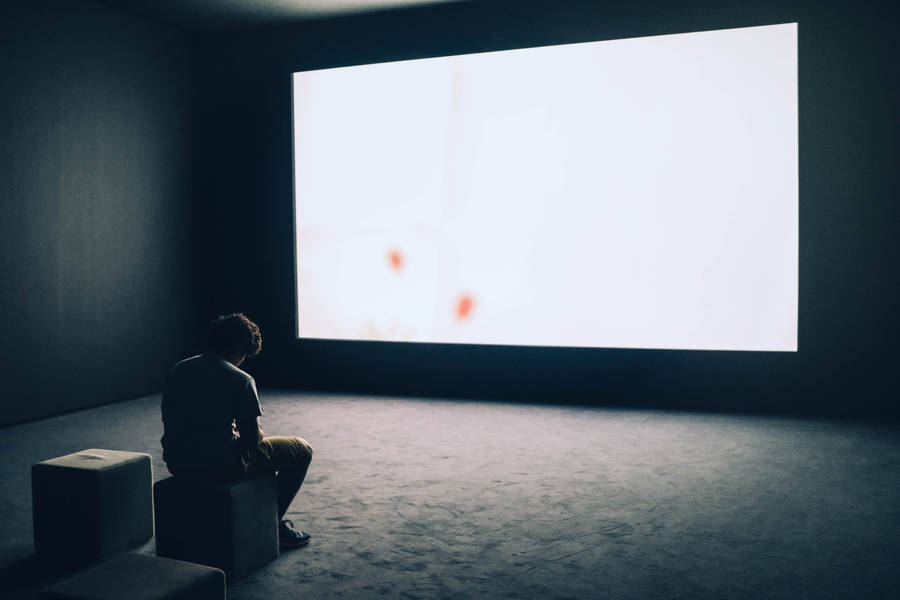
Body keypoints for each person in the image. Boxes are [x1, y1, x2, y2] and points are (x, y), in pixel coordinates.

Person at [160, 313, 313, 548]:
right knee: (302, 449)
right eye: (244, 355)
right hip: (219, 465)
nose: (243, 361)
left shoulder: (178, 370)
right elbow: (253, 439)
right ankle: (273, 523)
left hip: (178, 461)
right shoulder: (240, 379)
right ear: (239, 348)